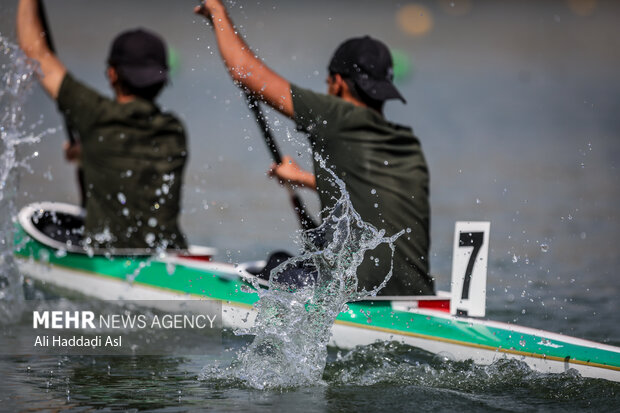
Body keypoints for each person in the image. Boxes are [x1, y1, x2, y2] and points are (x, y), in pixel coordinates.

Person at [194, 1, 433, 295]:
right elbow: (369, 195)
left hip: (358, 293)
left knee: (276, 264)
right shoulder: (408, 144)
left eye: (327, 83)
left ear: (338, 84)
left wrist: (217, 12)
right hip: (417, 291)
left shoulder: (338, 116)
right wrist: (302, 178)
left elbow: (244, 71)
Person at [17, 0, 187, 250]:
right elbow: (131, 157)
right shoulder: (175, 131)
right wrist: (87, 153)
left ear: (112, 74)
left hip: (111, 254)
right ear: (161, 79)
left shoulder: (95, 116)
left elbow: (35, 51)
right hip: (171, 252)